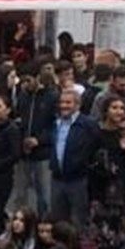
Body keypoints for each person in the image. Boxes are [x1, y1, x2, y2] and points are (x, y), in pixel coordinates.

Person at [49, 84, 102, 228]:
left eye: (68, 102)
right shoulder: (56, 123)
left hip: (78, 180)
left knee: (79, 221)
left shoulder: (88, 124)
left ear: (77, 105)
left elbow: (97, 146)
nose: (64, 106)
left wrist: (84, 164)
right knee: (58, 222)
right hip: (57, 179)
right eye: (62, 102)